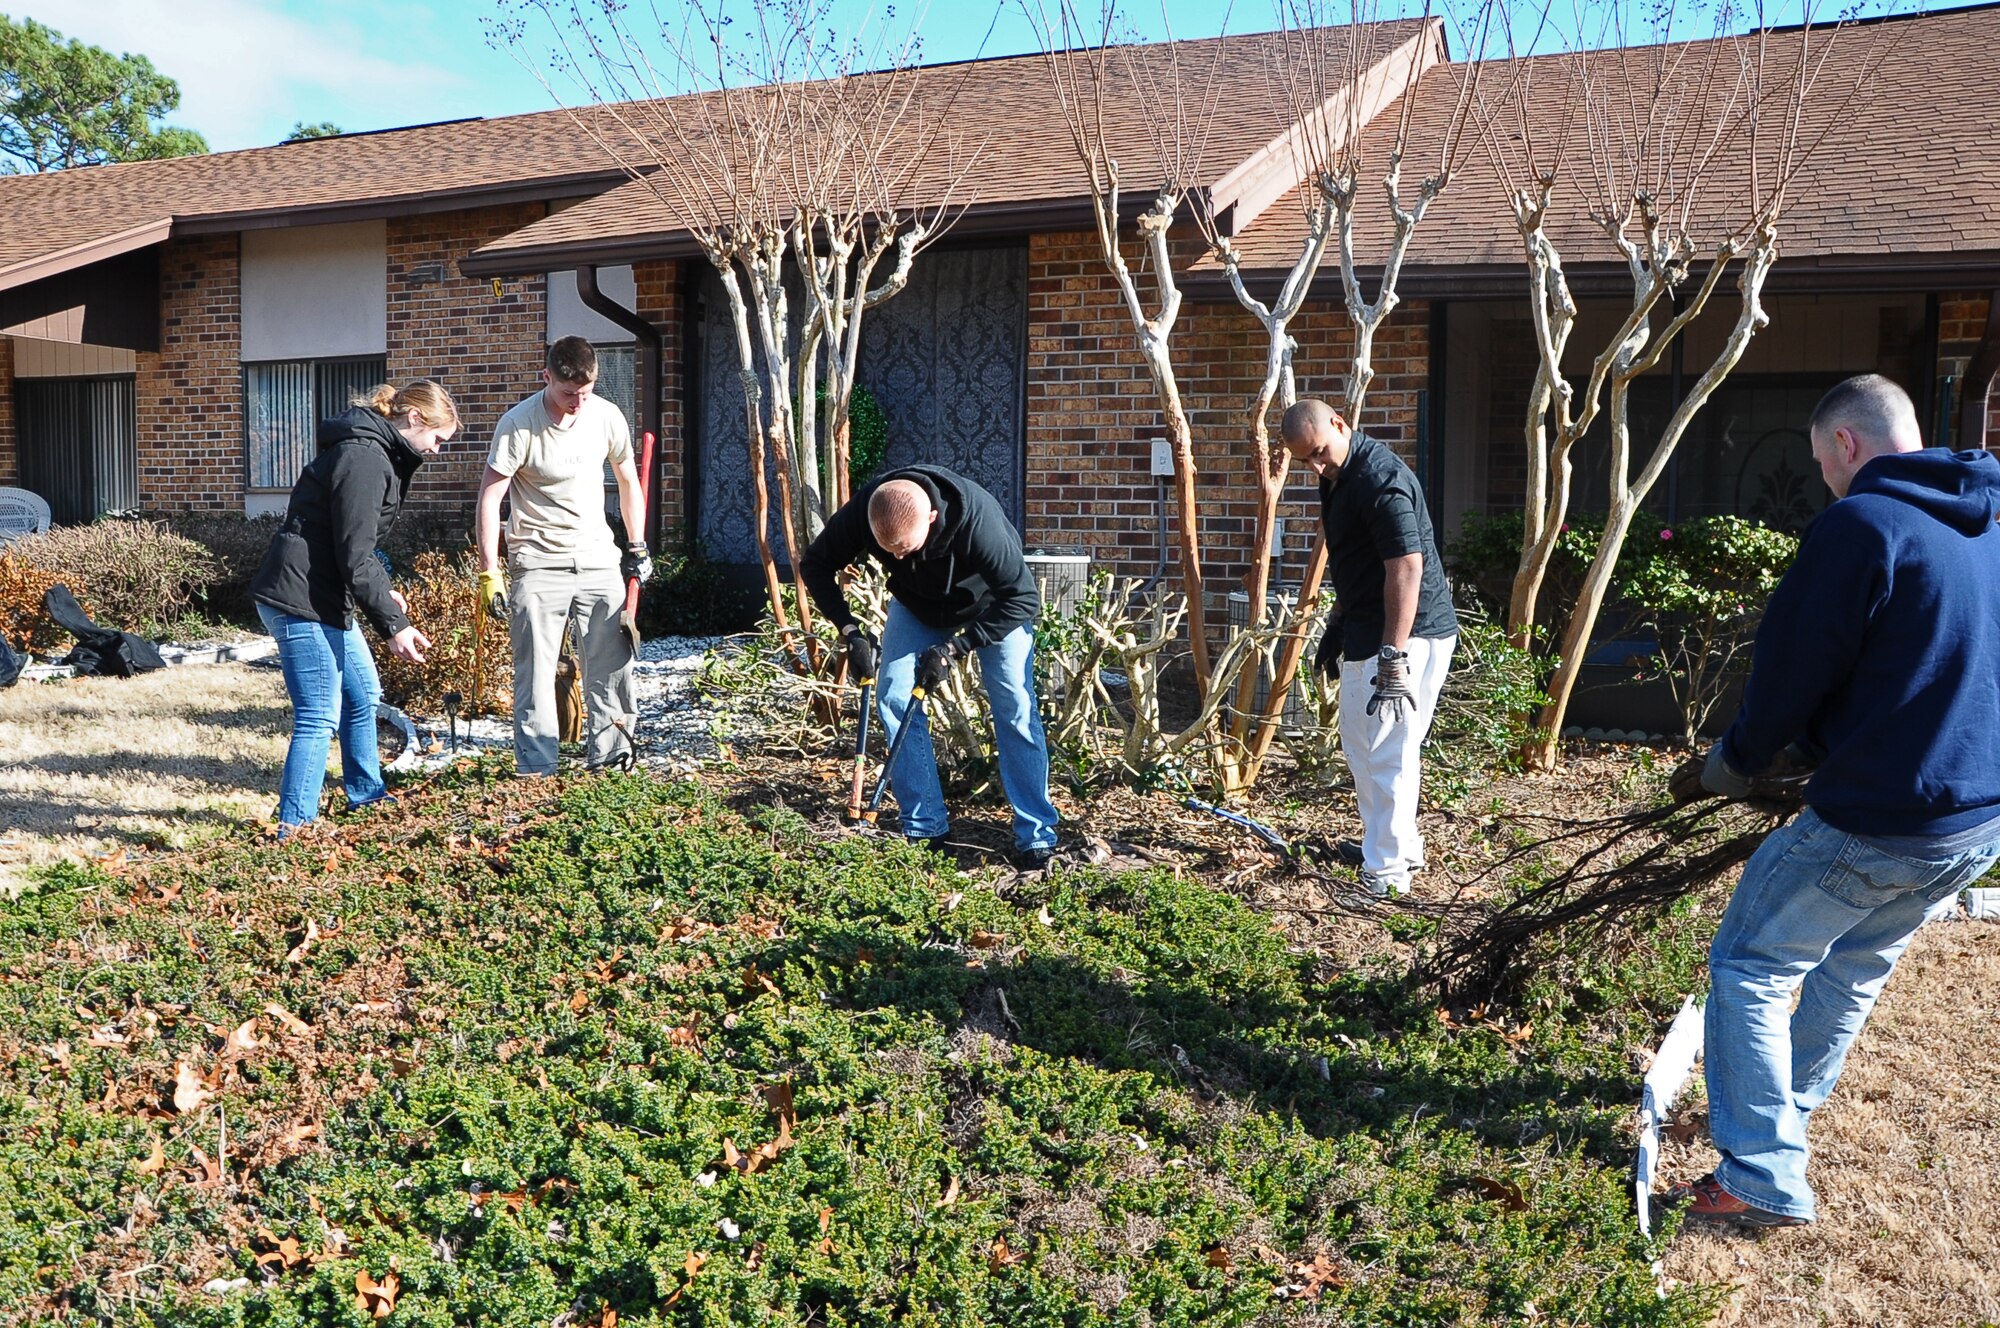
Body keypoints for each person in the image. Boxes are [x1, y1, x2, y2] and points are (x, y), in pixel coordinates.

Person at [1666, 374, 2000, 1230]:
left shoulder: (1862, 524)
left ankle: (1760, 1173)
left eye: (1821, 464)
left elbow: (1793, 667)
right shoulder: (1989, 523)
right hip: (1975, 822)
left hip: (1881, 816)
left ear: (1845, 444)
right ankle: (1781, 1110)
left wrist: (1736, 761)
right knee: (1853, 965)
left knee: (1751, 963)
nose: (1824, 481)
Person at [800, 465, 1061, 869]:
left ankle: (1036, 837)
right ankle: (926, 828)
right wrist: (850, 631)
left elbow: (1023, 600)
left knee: (1015, 707)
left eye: (904, 548)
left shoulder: (979, 523)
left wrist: (957, 647)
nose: (897, 556)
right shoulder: (867, 511)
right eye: (889, 551)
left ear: (933, 519)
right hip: (918, 604)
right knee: (892, 696)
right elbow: (814, 565)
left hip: (994, 606)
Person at [250, 380, 460, 836]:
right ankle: (294, 825)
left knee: (363, 694)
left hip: (323, 593)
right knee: (317, 715)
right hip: (300, 597)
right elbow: (354, 555)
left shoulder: (375, 452)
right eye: (439, 440)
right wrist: (394, 625)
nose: (438, 451)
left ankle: (365, 794)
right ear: (416, 419)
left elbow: (356, 544)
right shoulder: (364, 458)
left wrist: (385, 596)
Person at [1281, 399, 1458, 898]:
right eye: (1306, 462)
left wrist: (1392, 657)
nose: (1316, 466)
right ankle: (1400, 848)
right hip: (1381, 628)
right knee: (1380, 748)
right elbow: (1361, 560)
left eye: (1319, 453)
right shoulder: (1340, 474)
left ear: (1340, 423)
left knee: (1383, 752)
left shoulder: (1379, 478)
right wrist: (1338, 622)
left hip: (1406, 635)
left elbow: (1406, 566)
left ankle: (1384, 875)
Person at [475, 336, 651, 775]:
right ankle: (537, 770)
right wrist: (490, 573)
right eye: (568, 392)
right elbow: (489, 498)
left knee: (613, 667)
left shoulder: (606, 416)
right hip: (537, 561)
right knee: (535, 674)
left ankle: (613, 766)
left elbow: (629, 483)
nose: (577, 401)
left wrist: (637, 544)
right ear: (547, 378)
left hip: (597, 558)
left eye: (586, 392)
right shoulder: (518, 425)